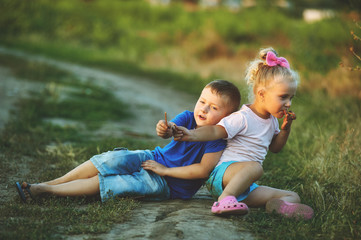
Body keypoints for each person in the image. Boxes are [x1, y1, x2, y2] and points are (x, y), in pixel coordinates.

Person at [15, 80, 242, 204]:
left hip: (169, 185)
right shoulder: (188, 117)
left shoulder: (217, 140)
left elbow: (202, 171)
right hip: (153, 158)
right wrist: (165, 128)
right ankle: (54, 182)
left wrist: (164, 171)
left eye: (213, 107)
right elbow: (168, 131)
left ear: (227, 118)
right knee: (112, 159)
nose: (203, 108)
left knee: (116, 182)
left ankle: (46, 191)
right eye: (202, 101)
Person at [174, 48, 314, 220]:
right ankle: (224, 198)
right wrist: (191, 134)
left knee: (292, 196)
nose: (288, 103)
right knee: (255, 167)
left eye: (291, 98)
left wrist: (285, 129)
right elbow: (216, 130)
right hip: (222, 175)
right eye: (283, 97)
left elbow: (276, 148)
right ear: (262, 94)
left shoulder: (271, 121)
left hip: (244, 183)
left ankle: (274, 207)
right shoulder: (243, 117)